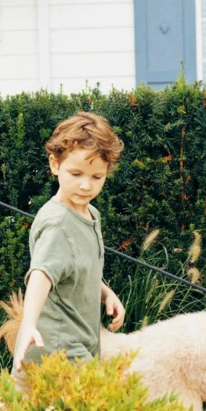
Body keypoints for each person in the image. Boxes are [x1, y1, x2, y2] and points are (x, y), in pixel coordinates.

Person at [12, 112, 127, 374]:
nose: (86, 185)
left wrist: (107, 294)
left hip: (78, 342)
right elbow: (42, 275)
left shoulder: (90, 214)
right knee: (99, 409)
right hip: (57, 346)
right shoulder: (58, 223)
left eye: (97, 177)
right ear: (55, 165)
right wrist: (28, 324)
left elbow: (76, 269)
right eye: (76, 173)